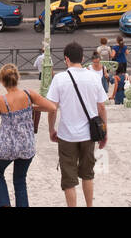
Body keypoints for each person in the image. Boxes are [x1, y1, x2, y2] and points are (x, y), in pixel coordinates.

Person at [45, 41, 109, 207]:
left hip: (67, 135)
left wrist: (51, 129)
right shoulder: (94, 77)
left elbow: (52, 109)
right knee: (88, 175)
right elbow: (101, 107)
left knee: (69, 180)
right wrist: (104, 131)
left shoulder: (59, 79)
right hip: (89, 134)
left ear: (66, 59)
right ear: (82, 57)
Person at [0, 64, 57, 207]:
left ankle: (5, 204)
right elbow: (52, 107)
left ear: (2, 81)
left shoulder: (1, 100)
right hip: (26, 144)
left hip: (7, 146)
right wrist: (32, 107)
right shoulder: (28, 94)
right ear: (17, 78)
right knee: (20, 180)